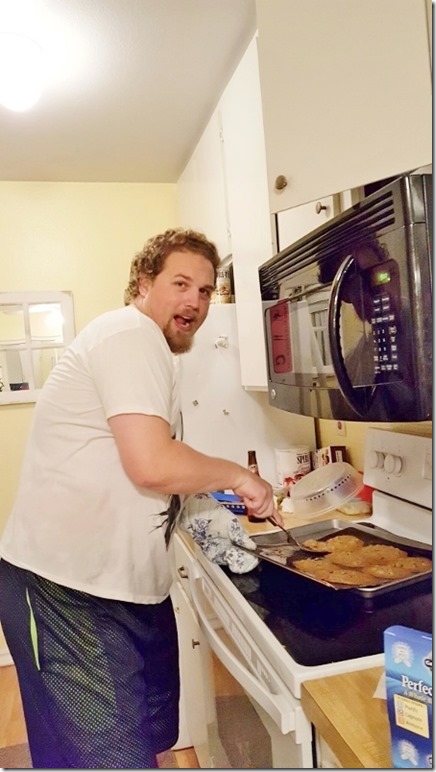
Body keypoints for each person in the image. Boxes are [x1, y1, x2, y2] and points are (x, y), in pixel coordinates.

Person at [0, 228, 280, 769]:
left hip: (125, 588)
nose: (195, 302)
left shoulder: (146, 350)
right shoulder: (127, 336)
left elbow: (157, 456)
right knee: (104, 757)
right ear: (143, 284)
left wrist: (211, 500)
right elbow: (152, 464)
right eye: (181, 284)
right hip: (67, 587)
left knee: (143, 739)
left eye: (204, 290)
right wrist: (240, 478)